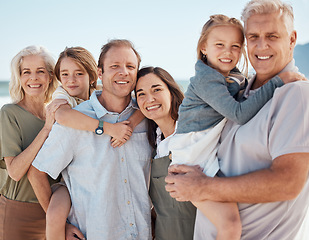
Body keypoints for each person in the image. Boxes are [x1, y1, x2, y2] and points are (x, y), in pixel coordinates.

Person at [165, 0, 309, 239]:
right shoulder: (239, 91)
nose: (261, 46)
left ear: (292, 40)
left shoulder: (296, 95)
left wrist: (202, 187)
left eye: (272, 36)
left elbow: (288, 183)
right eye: (253, 37)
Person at [28, 39, 152, 240]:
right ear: (100, 73)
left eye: (130, 66)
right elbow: (36, 173)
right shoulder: (73, 123)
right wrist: (63, 225)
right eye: (114, 66)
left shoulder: (148, 116)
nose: (124, 72)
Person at [0, 45, 65, 239]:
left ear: (50, 76)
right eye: (26, 72)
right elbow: (16, 171)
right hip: (19, 214)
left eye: (40, 71)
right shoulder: (9, 114)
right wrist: (46, 129)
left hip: (56, 212)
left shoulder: (59, 113)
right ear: (19, 77)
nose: (33, 78)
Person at [135, 66, 196, 240]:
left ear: (171, 92)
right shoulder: (155, 143)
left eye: (157, 90)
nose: (150, 99)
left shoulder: (190, 136)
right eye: (141, 94)